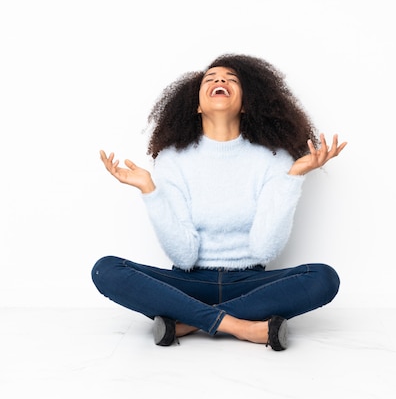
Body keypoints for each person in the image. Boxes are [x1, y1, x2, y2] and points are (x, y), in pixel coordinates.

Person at [91, 53, 346, 351]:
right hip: (188, 284)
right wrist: (150, 190)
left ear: (246, 103)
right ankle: (242, 327)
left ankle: (187, 323)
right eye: (210, 79)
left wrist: (292, 178)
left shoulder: (273, 159)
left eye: (230, 79)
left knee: (324, 278)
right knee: (106, 269)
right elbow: (184, 257)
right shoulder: (173, 160)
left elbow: (265, 249)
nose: (219, 80)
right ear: (197, 105)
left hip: (250, 282)